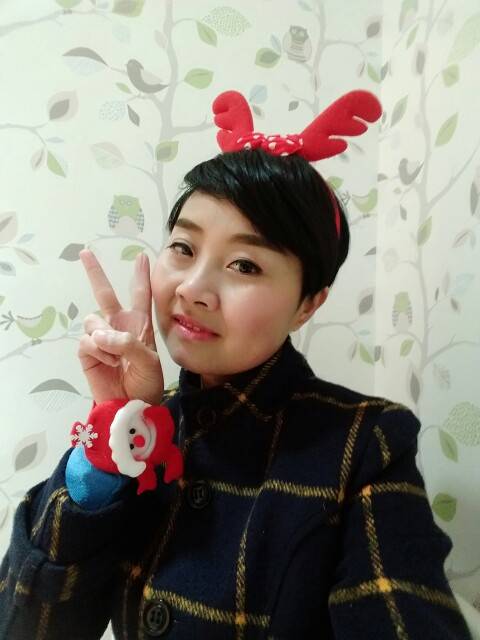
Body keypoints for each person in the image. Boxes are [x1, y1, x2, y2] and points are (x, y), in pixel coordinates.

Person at [0, 90, 473, 640]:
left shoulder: (366, 444)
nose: (193, 289)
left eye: (244, 264)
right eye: (183, 248)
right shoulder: (145, 430)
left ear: (308, 303)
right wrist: (115, 424)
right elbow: (29, 626)